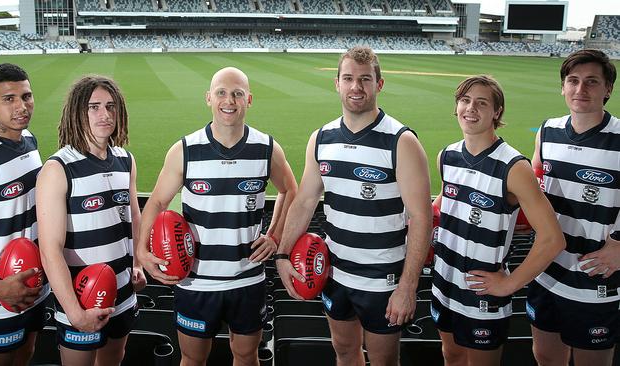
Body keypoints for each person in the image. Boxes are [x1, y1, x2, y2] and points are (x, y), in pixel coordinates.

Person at [275, 46, 432, 366]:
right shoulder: (321, 138)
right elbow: (305, 202)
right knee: (344, 352)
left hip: (382, 280)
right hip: (334, 272)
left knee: (384, 360)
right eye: (348, 78)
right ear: (337, 83)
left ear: (379, 84)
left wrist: (408, 286)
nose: (356, 87)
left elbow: (421, 216)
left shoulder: (401, 141)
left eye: (364, 79)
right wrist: (281, 253)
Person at [136, 66, 297, 366]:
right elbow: (157, 202)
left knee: (246, 356)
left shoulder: (267, 148)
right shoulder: (184, 150)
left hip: (247, 278)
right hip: (196, 281)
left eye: (237, 93)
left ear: (249, 99)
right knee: (193, 359)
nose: (229, 100)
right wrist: (142, 251)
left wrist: (275, 236)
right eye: (221, 92)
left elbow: (291, 191)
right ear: (208, 97)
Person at [431, 75, 565, 366]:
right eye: (465, 101)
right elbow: (443, 205)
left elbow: (553, 238)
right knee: (451, 356)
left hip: (483, 293)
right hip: (444, 282)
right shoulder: (447, 156)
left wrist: (509, 284)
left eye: (481, 103)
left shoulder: (514, 166)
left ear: (497, 112)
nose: (470, 109)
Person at [37, 75, 146, 366]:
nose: (105, 114)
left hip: (123, 294)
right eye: (94, 106)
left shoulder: (126, 160)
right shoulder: (58, 168)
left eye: (111, 106)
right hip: (80, 298)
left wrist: (137, 264)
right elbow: (50, 249)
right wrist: (74, 312)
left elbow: (133, 219)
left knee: (113, 360)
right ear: (77, 112)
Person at [528, 49, 619, 366]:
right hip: (547, 271)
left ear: (607, 89)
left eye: (592, 82)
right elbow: (533, 188)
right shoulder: (547, 130)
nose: (581, 90)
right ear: (563, 87)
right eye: (573, 81)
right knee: (545, 356)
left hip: (595, 278)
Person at [0, 63, 50, 366]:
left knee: (25, 356)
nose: (22, 107)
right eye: (9, 99)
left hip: (32, 285)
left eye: (26, 96)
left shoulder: (28, 139)